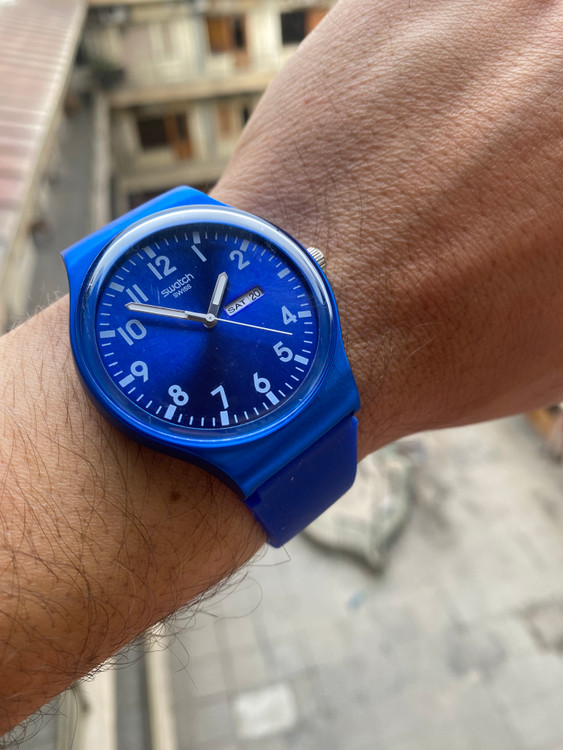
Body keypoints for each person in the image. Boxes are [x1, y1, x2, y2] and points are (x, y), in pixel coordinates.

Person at [2, 0, 563, 734]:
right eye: (200, 312)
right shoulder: (142, 300)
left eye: (212, 307)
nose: (206, 320)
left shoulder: (204, 245)